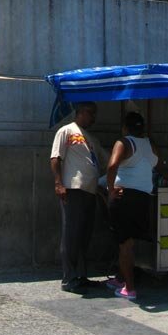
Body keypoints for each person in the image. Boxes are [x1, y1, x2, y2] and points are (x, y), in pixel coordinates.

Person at [106, 111, 168, 301]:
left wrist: (110, 189)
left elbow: (111, 166)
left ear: (125, 127)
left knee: (125, 244)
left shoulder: (123, 142)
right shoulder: (150, 145)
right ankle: (121, 277)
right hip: (143, 199)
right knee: (128, 241)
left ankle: (130, 288)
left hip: (124, 198)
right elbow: (161, 168)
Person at [50, 102, 109, 293]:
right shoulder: (66, 131)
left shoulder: (91, 138)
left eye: (95, 114)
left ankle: (81, 275)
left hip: (91, 191)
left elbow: (108, 160)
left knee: (84, 235)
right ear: (81, 112)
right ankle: (69, 278)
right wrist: (59, 183)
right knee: (71, 235)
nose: (94, 118)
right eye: (91, 113)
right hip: (73, 189)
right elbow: (55, 158)